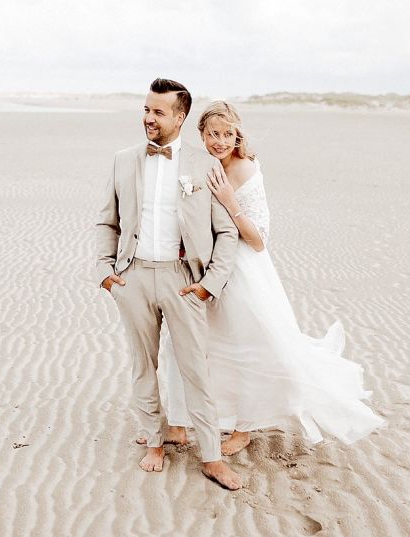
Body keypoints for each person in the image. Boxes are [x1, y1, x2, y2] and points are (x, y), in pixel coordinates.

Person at [152, 101, 384, 455]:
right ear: (201, 134)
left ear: (237, 134)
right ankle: (180, 423)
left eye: (228, 134)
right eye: (213, 134)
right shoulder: (198, 165)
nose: (220, 141)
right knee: (182, 343)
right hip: (206, 268)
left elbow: (259, 240)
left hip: (243, 271)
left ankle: (244, 427)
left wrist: (230, 201)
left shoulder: (246, 170)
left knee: (248, 347)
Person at [93, 79, 243, 490]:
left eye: (158, 112)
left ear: (180, 116)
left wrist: (209, 284)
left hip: (183, 281)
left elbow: (226, 233)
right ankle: (155, 442)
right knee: (144, 365)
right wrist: (106, 273)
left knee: (197, 371)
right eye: (146, 109)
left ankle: (211, 456)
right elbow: (108, 220)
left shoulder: (204, 164)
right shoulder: (123, 160)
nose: (148, 118)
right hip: (134, 276)